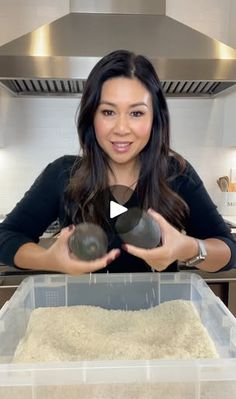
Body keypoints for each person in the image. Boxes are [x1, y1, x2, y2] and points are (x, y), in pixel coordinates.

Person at [0, 50, 235, 275]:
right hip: (83, 315)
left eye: (136, 113)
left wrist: (187, 248)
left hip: (157, 314)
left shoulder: (177, 175)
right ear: (91, 117)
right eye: (108, 112)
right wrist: (48, 260)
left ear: (155, 119)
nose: (121, 129)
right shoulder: (63, 174)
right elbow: (6, 237)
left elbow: (229, 250)